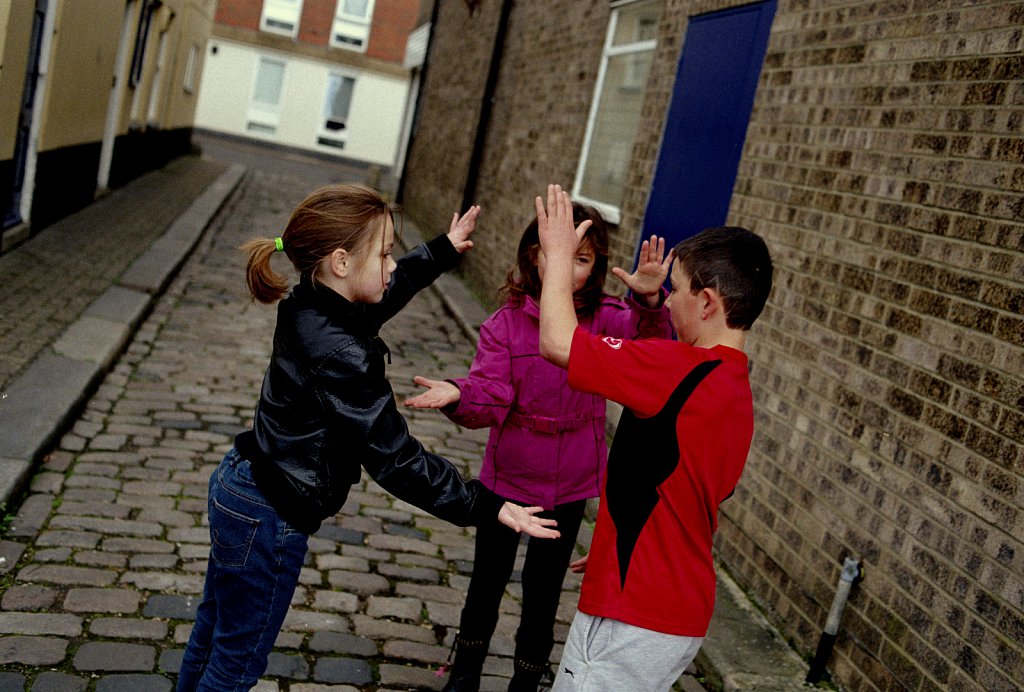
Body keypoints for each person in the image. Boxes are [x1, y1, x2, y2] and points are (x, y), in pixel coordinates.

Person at [176, 184, 560, 692]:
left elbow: (383, 292)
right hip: (270, 516)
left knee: (213, 632)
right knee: (236, 662)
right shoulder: (343, 354)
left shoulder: (311, 304)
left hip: (243, 486)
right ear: (339, 262)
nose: (391, 263)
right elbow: (395, 458)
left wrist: (441, 250)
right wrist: (485, 504)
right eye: (383, 254)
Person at [403, 201, 673, 692]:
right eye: (558, 253)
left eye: (582, 258)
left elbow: (654, 357)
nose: (569, 268)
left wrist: (651, 306)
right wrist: (459, 393)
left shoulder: (610, 319)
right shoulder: (504, 325)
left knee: (544, 592)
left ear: (595, 267)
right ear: (534, 256)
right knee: (487, 581)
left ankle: (525, 681)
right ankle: (464, 674)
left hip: (569, 482)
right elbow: (490, 395)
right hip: (508, 478)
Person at [534, 185, 773, 691]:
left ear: (707, 303)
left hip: (632, 611)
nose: (670, 299)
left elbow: (558, 341)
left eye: (677, 289)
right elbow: (686, 491)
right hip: (677, 612)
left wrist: (556, 258)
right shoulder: (737, 391)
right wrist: (616, 537)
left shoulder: (677, 367)